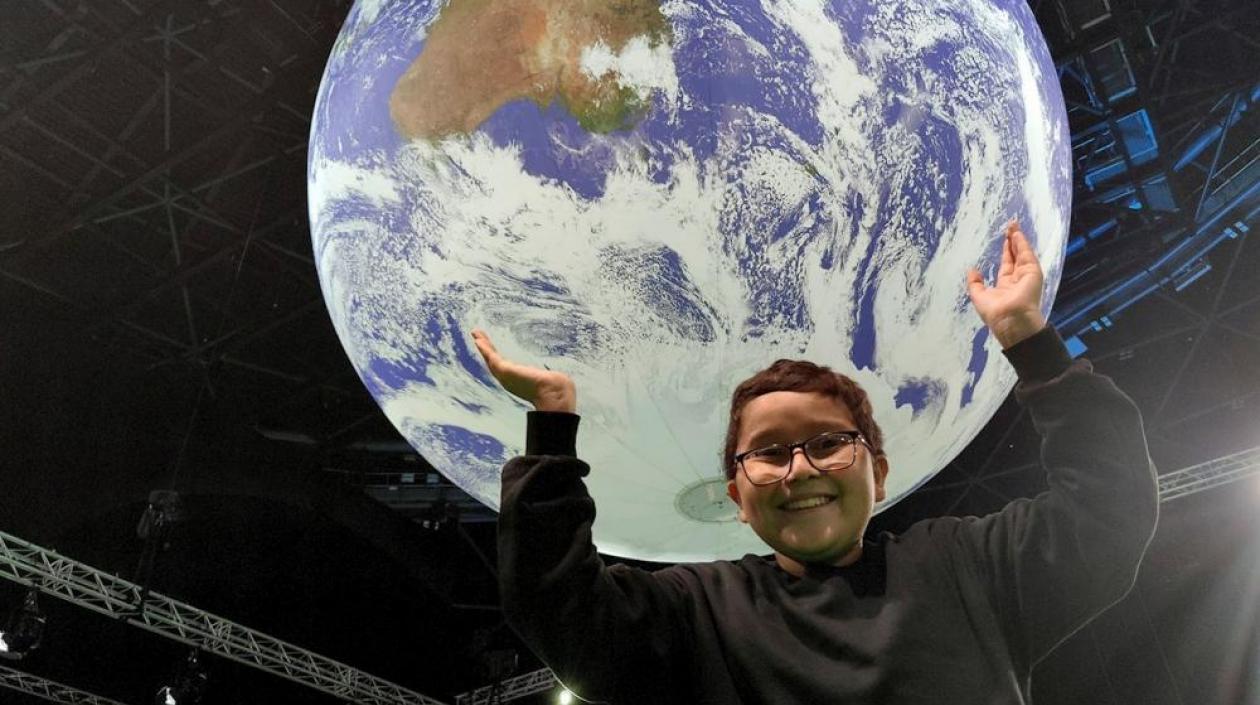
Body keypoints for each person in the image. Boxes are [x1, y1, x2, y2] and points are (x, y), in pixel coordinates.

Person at [472, 222, 1159, 704]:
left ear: (879, 472)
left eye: (828, 442)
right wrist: (553, 424)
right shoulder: (698, 612)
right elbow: (559, 609)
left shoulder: (970, 565)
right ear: (738, 497)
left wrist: (1029, 341)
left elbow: (1109, 509)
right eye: (769, 453)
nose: (800, 468)